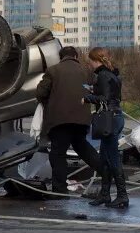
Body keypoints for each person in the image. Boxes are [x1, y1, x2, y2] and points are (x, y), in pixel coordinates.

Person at [35, 46, 103, 197]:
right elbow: (96, 91)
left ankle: (59, 189)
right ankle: (109, 174)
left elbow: (40, 93)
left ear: (61, 57)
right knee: (83, 148)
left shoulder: (53, 70)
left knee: (58, 153)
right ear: (76, 56)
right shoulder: (87, 72)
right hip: (82, 119)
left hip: (59, 120)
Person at [84, 47, 129, 209]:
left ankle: (122, 195)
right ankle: (105, 194)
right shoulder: (114, 75)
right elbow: (115, 96)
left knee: (112, 158)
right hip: (116, 117)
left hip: (108, 119)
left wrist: (87, 97)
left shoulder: (102, 75)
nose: (88, 63)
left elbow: (104, 98)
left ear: (94, 60)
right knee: (104, 157)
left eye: (89, 60)